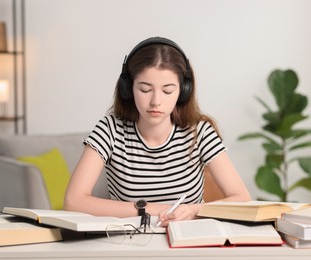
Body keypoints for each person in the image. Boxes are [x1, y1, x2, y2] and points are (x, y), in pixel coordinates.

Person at [64, 37, 251, 227]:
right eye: (145, 90)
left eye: (167, 91)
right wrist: (150, 209)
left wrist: (194, 210)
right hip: (130, 245)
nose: (156, 101)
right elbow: (73, 201)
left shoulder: (200, 132)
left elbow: (243, 198)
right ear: (128, 88)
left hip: (188, 243)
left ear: (183, 91)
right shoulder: (110, 129)